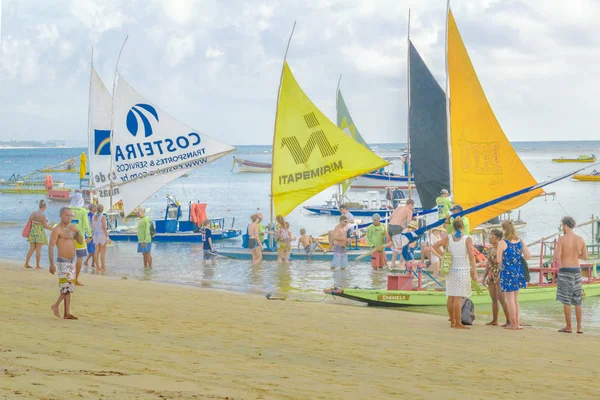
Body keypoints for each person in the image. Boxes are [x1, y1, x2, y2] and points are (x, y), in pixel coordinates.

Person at [432, 217, 477, 329]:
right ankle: (458, 323)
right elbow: (471, 257)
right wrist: (474, 271)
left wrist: (443, 256)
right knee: (458, 297)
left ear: (453, 227)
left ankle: (452, 321)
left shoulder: (449, 238)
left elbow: (434, 246)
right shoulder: (467, 239)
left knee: (451, 296)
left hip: (450, 269)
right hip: (462, 269)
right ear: (463, 227)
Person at [48, 207, 84, 319]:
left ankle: (67, 313)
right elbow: (51, 246)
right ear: (61, 216)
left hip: (72, 261)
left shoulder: (72, 229)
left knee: (69, 287)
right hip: (62, 260)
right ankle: (55, 305)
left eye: (70, 215)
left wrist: (77, 231)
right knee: (66, 286)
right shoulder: (57, 229)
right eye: (67, 215)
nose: (69, 217)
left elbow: (80, 241)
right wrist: (51, 263)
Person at [554, 216, 588, 334]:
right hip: (576, 271)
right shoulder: (580, 239)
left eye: (562, 225)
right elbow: (585, 256)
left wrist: (563, 257)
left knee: (566, 300)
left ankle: (568, 326)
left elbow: (557, 257)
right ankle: (579, 327)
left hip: (565, 270)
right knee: (577, 300)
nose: (562, 227)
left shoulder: (562, 239)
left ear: (566, 225)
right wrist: (575, 255)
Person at [497, 220, 531, 330]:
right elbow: (528, 255)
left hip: (507, 271)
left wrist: (506, 262)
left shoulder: (503, 243)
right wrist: (517, 259)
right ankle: (517, 323)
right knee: (516, 298)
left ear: (504, 230)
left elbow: (498, 260)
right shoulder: (520, 241)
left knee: (509, 298)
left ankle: (513, 324)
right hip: (518, 271)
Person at [482, 229, 510, 327]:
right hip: (491, 273)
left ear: (498, 239)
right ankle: (495, 320)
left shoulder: (501, 249)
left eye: (492, 236)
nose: (490, 238)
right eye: (490, 236)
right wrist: (484, 276)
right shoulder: (490, 249)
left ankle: (509, 320)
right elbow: (488, 264)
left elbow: (505, 263)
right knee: (493, 299)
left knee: (502, 299)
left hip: (499, 273)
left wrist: (500, 274)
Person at [69, 192, 91, 285]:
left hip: (69, 236)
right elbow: (86, 225)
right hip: (79, 237)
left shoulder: (68, 209)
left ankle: (68, 279)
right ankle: (75, 280)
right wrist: (90, 235)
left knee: (69, 258)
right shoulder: (83, 211)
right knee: (79, 257)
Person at [24, 199, 52, 269]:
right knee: (38, 250)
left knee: (31, 248)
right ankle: (37, 265)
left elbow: (29, 223)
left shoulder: (32, 213)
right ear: (44, 207)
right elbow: (45, 226)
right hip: (40, 233)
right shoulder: (43, 216)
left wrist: (36, 223)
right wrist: (51, 226)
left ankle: (26, 263)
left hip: (33, 232)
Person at [388, 199, 415, 267]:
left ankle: (393, 262)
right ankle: (400, 262)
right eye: (412, 206)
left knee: (395, 245)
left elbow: (390, 218)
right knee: (404, 243)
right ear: (411, 204)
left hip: (390, 227)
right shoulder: (409, 211)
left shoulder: (398, 208)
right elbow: (409, 223)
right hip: (397, 227)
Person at [92, 204, 108, 271]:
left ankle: (97, 267)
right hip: (102, 235)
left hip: (95, 235)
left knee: (96, 251)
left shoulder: (94, 216)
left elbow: (93, 226)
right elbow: (104, 227)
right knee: (102, 252)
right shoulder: (102, 217)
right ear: (103, 209)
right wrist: (107, 237)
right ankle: (103, 267)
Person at [83, 204, 97, 268]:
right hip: (90, 234)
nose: (96, 208)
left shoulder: (90, 215)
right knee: (93, 250)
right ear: (92, 208)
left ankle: (92, 263)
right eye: (95, 207)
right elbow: (91, 226)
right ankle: (87, 262)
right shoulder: (91, 216)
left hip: (90, 233)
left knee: (93, 250)